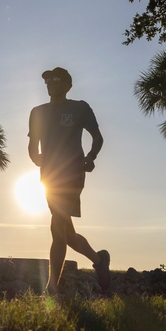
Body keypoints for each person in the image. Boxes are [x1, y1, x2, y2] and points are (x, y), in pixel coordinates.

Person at [28, 67, 111, 295]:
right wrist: (37, 158)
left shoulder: (79, 108)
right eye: (47, 80)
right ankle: (99, 260)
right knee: (67, 234)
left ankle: (52, 287)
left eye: (56, 79)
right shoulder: (37, 112)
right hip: (49, 178)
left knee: (57, 225)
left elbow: (98, 137)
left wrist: (91, 157)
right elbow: (32, 148)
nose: (50, 83)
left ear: (67, 85)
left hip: (73, 174)